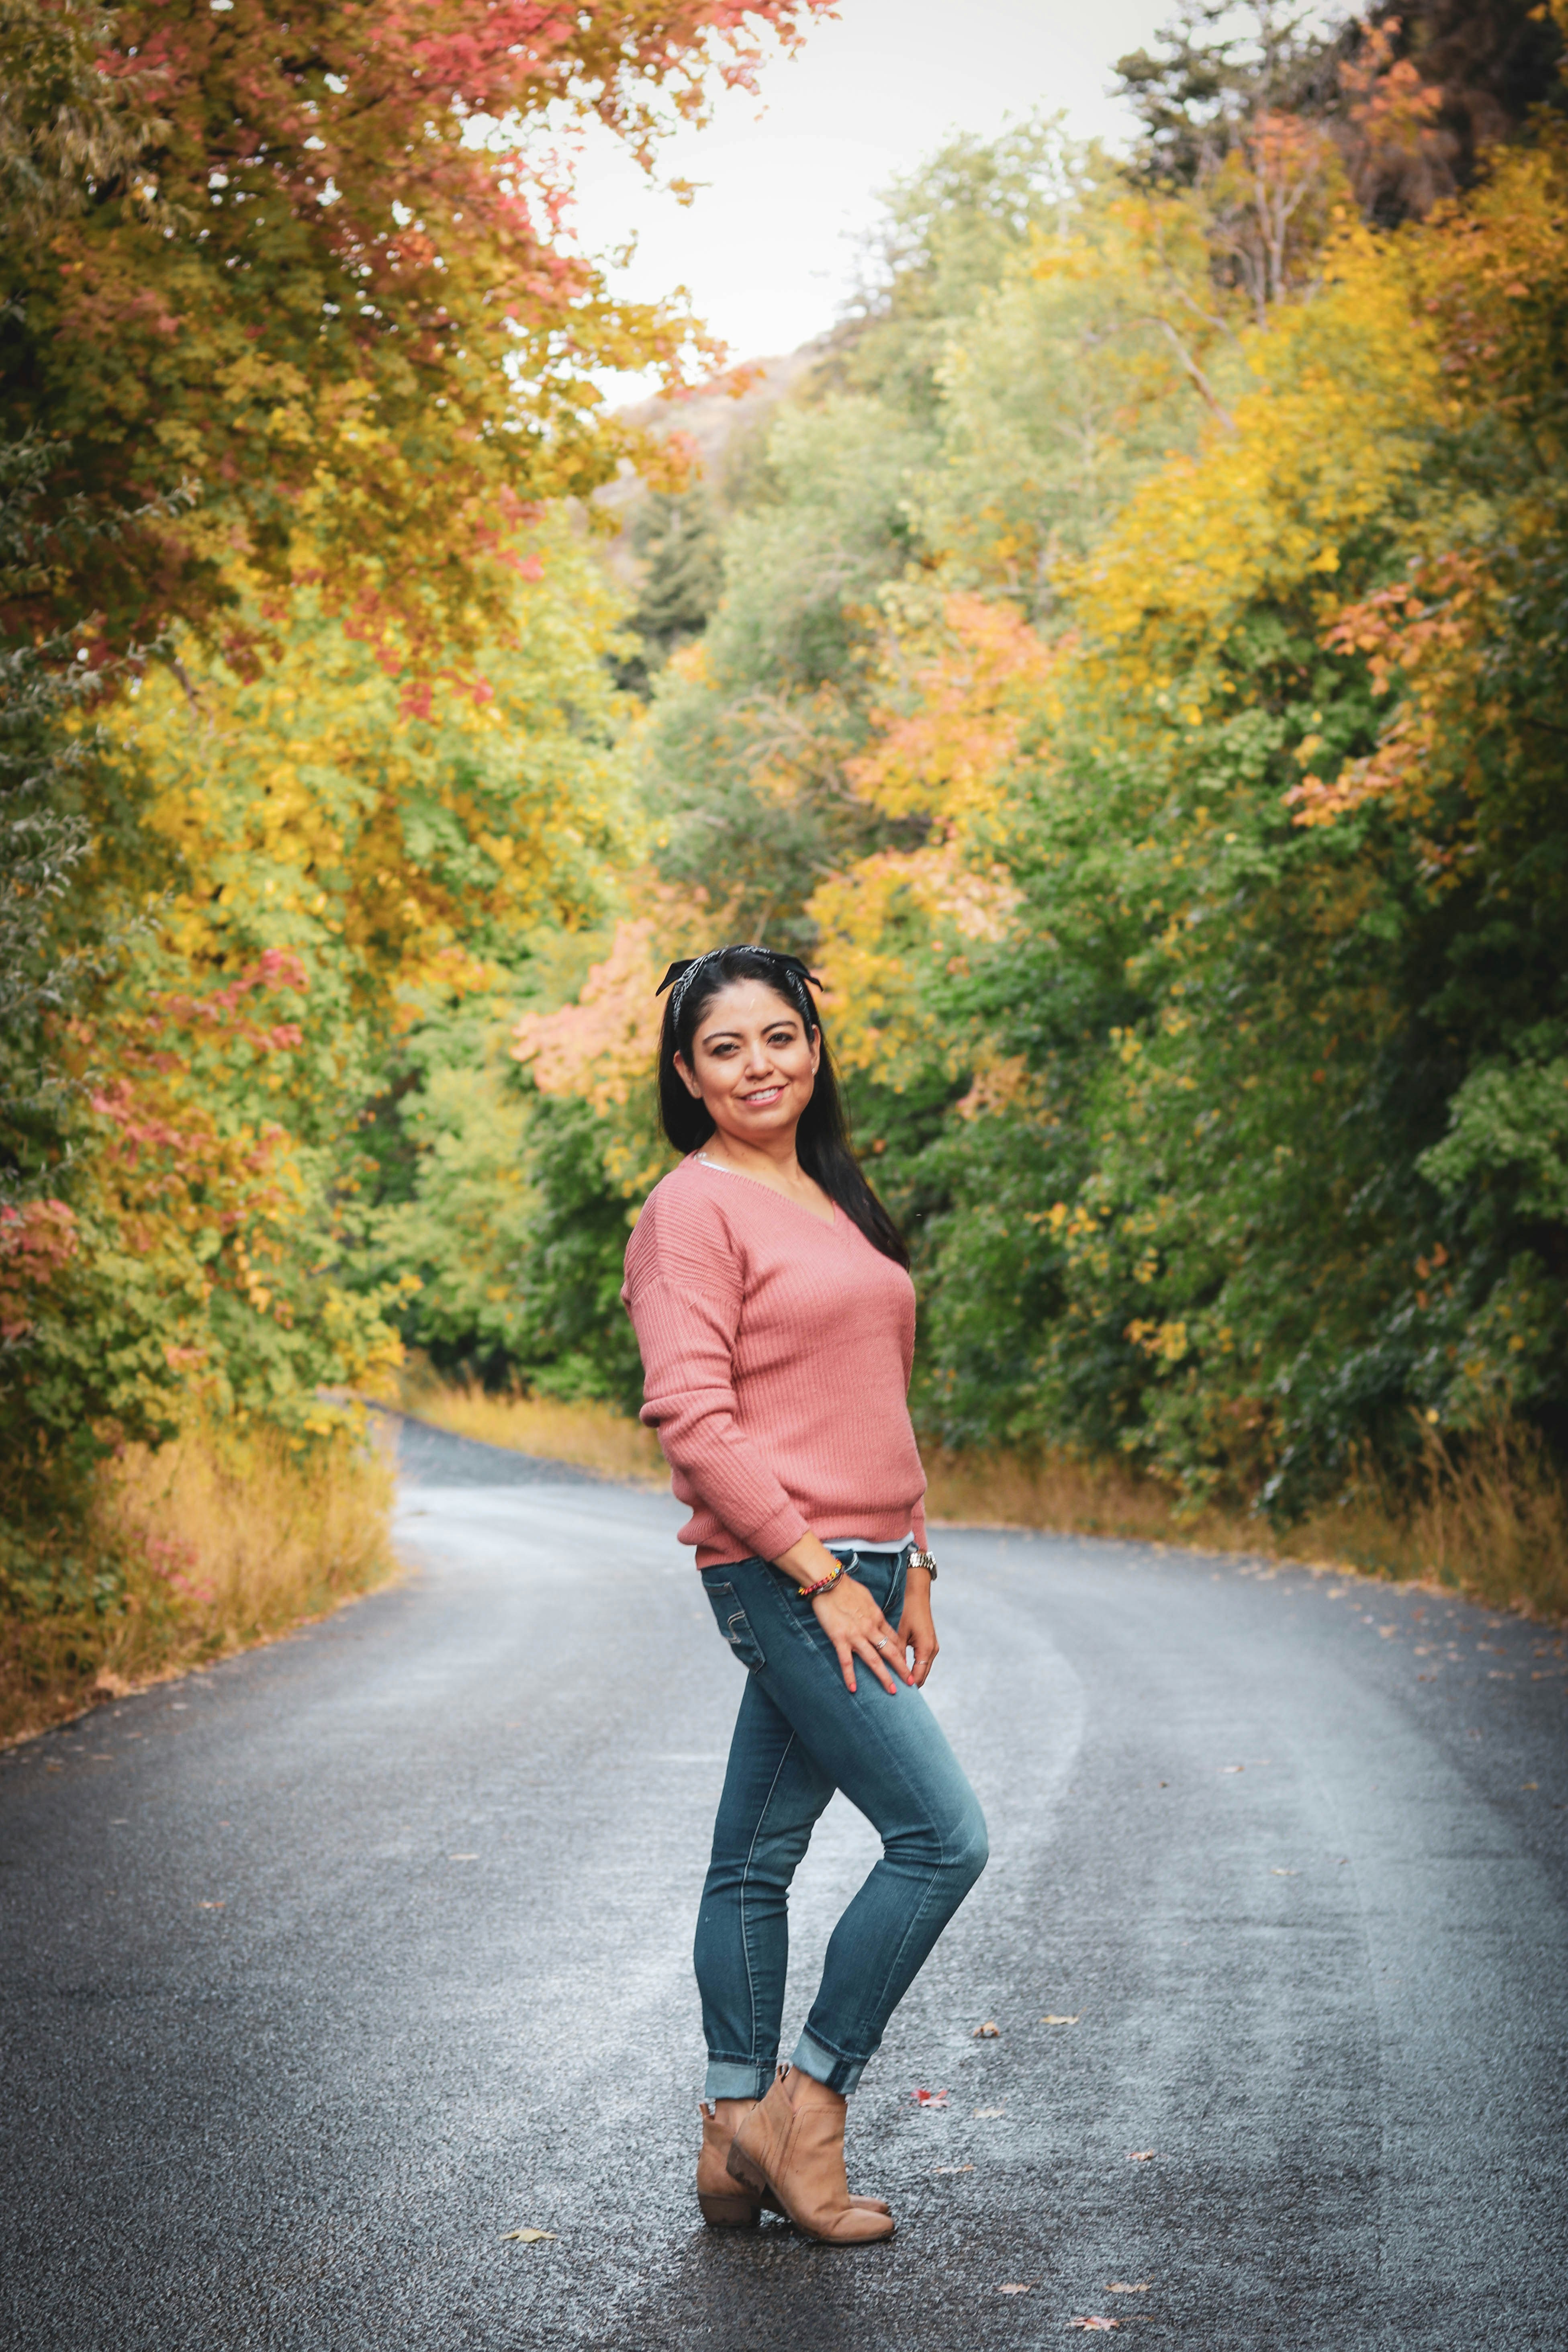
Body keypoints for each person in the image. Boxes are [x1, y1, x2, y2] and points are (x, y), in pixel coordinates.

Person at [620, 942, 988, 2248]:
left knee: (757, 1856)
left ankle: (732, 2135)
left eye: (779, 1037)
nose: (758, 1064)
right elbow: (694, 1422)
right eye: (725, 1047)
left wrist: (916, 1558)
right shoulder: (691, 1213)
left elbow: (870, 1396)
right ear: (688, 1074)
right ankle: (807, 2102)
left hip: (866, 1561)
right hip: (786, 1568)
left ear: (815, 1049)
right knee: (945, 1840)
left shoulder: (831, 1195)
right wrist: (828, 1577)